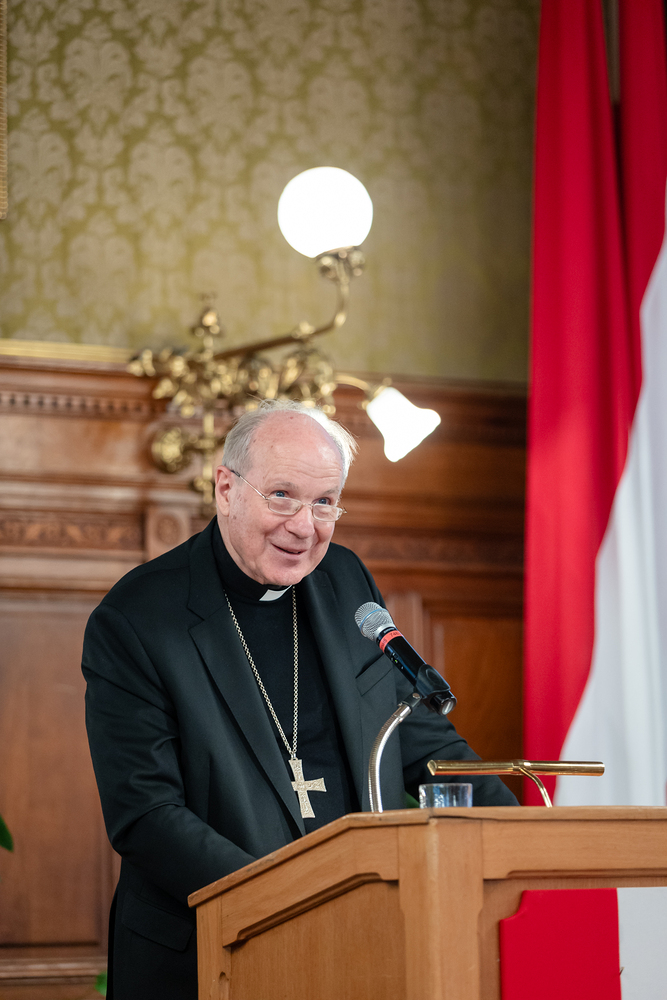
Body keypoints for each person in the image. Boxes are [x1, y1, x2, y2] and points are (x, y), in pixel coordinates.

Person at [82, 399, 517, 1000]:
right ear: (226, 489)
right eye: (282, 496)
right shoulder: (137, 617)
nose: (304, 527)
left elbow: (416, 736)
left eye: (324, 502)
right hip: (208, 951)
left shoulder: (344, 580)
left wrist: (520, 836)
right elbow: (147, 814)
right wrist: (291, 902)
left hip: (356, 938)